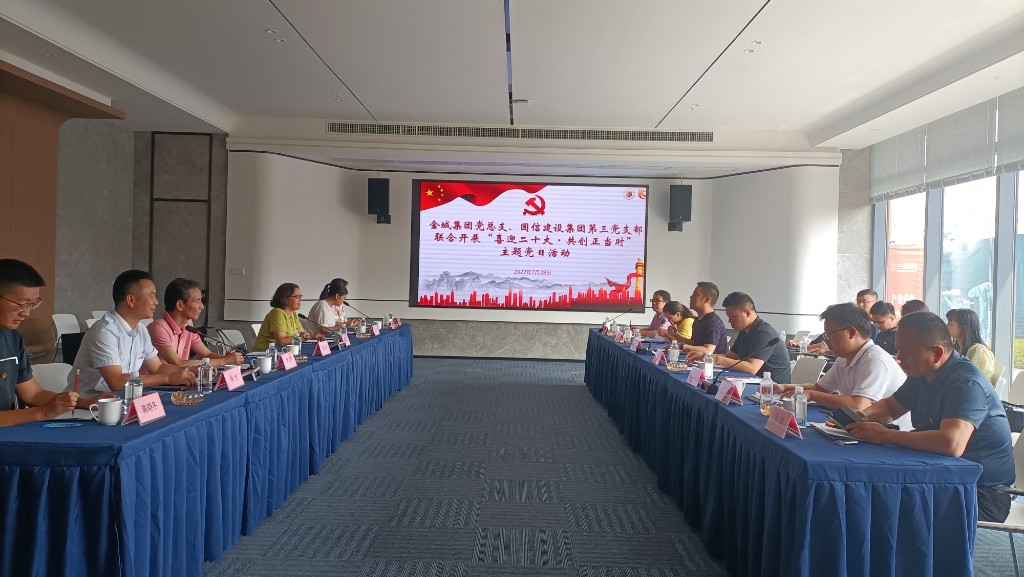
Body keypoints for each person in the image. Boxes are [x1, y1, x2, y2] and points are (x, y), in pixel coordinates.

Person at [845, 312, 1014, 523]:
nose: (899, 359)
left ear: (936, 353)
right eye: (898, 350)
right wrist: (862, 416)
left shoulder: (966, 383)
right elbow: (890, 407)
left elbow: (951, 444)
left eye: (907, 353)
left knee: (880, 501)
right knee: (867, 490)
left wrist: (885, 435)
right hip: (939, 473)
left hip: (979, 490)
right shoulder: (921, 374)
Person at [775, 303, 910, 429]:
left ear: (852, 332)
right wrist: (783, 387)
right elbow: (821, 388)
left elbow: (859, 405)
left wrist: (812, 395)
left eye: (829, 334)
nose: (826, 341)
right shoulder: (844, 357)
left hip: (890, 434)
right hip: (861, 427)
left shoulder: (874, 359)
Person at [68, 270, 196, 399]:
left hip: (123, 400)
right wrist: (168, 378)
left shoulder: (141, 330)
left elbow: (158, 367)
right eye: (151, 296)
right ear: (131, 300)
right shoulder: (104, 331)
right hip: (88, 404)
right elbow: (117, 382)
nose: (156, 302)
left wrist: (194, 371)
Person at [0, 259, 81, 426]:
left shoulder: (12, 337)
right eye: (22, 305)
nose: (26, 313)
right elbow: (39, 407)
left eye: (32, 305)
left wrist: (84, 403)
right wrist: (42, 412)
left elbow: (33, 394)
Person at [688, 291, 791, 383]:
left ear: (747, 313)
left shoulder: (764, 333)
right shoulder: (745, 331)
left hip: (772, 389)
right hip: (752, 381)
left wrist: (718, 359)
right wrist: (706, 356)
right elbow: (730, 356)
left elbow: (752, 368)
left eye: (733, 317)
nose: (729, 321)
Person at [147, 278, 244, 369]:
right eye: (198, 301)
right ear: (180, 305)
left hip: (179, 379)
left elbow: (208, 354)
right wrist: (223, 361)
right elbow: (178, 363)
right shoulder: (158, 329)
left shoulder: (188, 327)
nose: (202, 306)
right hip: (157, 381)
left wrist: (226, 358)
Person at [253, 283, 322, 351]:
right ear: (286, 299)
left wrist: (306, 336)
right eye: (296, 297)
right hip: (266, 353)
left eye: (300, 296)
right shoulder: (277, 313)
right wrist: (307, 337)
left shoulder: (292, 313)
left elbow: (303, 333)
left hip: (283, 351)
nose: (300, 299)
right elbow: (282, 341)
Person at [946, 308, 997, 384]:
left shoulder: (979, 351)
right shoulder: (957, 348)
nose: (946, 326)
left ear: (964, 327)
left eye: (950, 323)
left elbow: (972, 381)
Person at [679, 281, 729, 355]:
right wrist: (677, 336)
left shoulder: (713, 322)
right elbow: (695, 343)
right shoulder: (698, 319)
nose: (691, 297)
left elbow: (708, 350)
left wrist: (682, 346)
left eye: (696, 294)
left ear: (707, 300)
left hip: (713, 362)